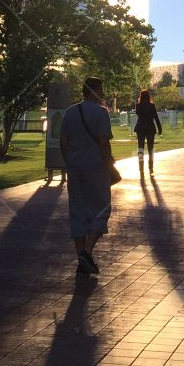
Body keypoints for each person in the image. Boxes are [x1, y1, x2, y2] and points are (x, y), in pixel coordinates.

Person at [60, 76, 115, 276]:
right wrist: (109, 164)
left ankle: (81, 257)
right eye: (101, 89)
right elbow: (103, 142)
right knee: (102, 208)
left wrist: (69, 162)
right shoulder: (101, 113)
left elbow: (63, 141)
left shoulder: (70, 112)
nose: (103, 93)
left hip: (75, 167)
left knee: (77, 210)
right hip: (96, 167)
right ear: (94, 90)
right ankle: (87, 251)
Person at [133, 89, 163, 176]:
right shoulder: (152, 105)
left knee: (140, 149)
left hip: (141, 128)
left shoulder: (138, 106)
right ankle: (151, 167)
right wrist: (159, 128)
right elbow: (156, 117)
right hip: (150, 128)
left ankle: (141, 167)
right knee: (150, 149)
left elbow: (139, 114)